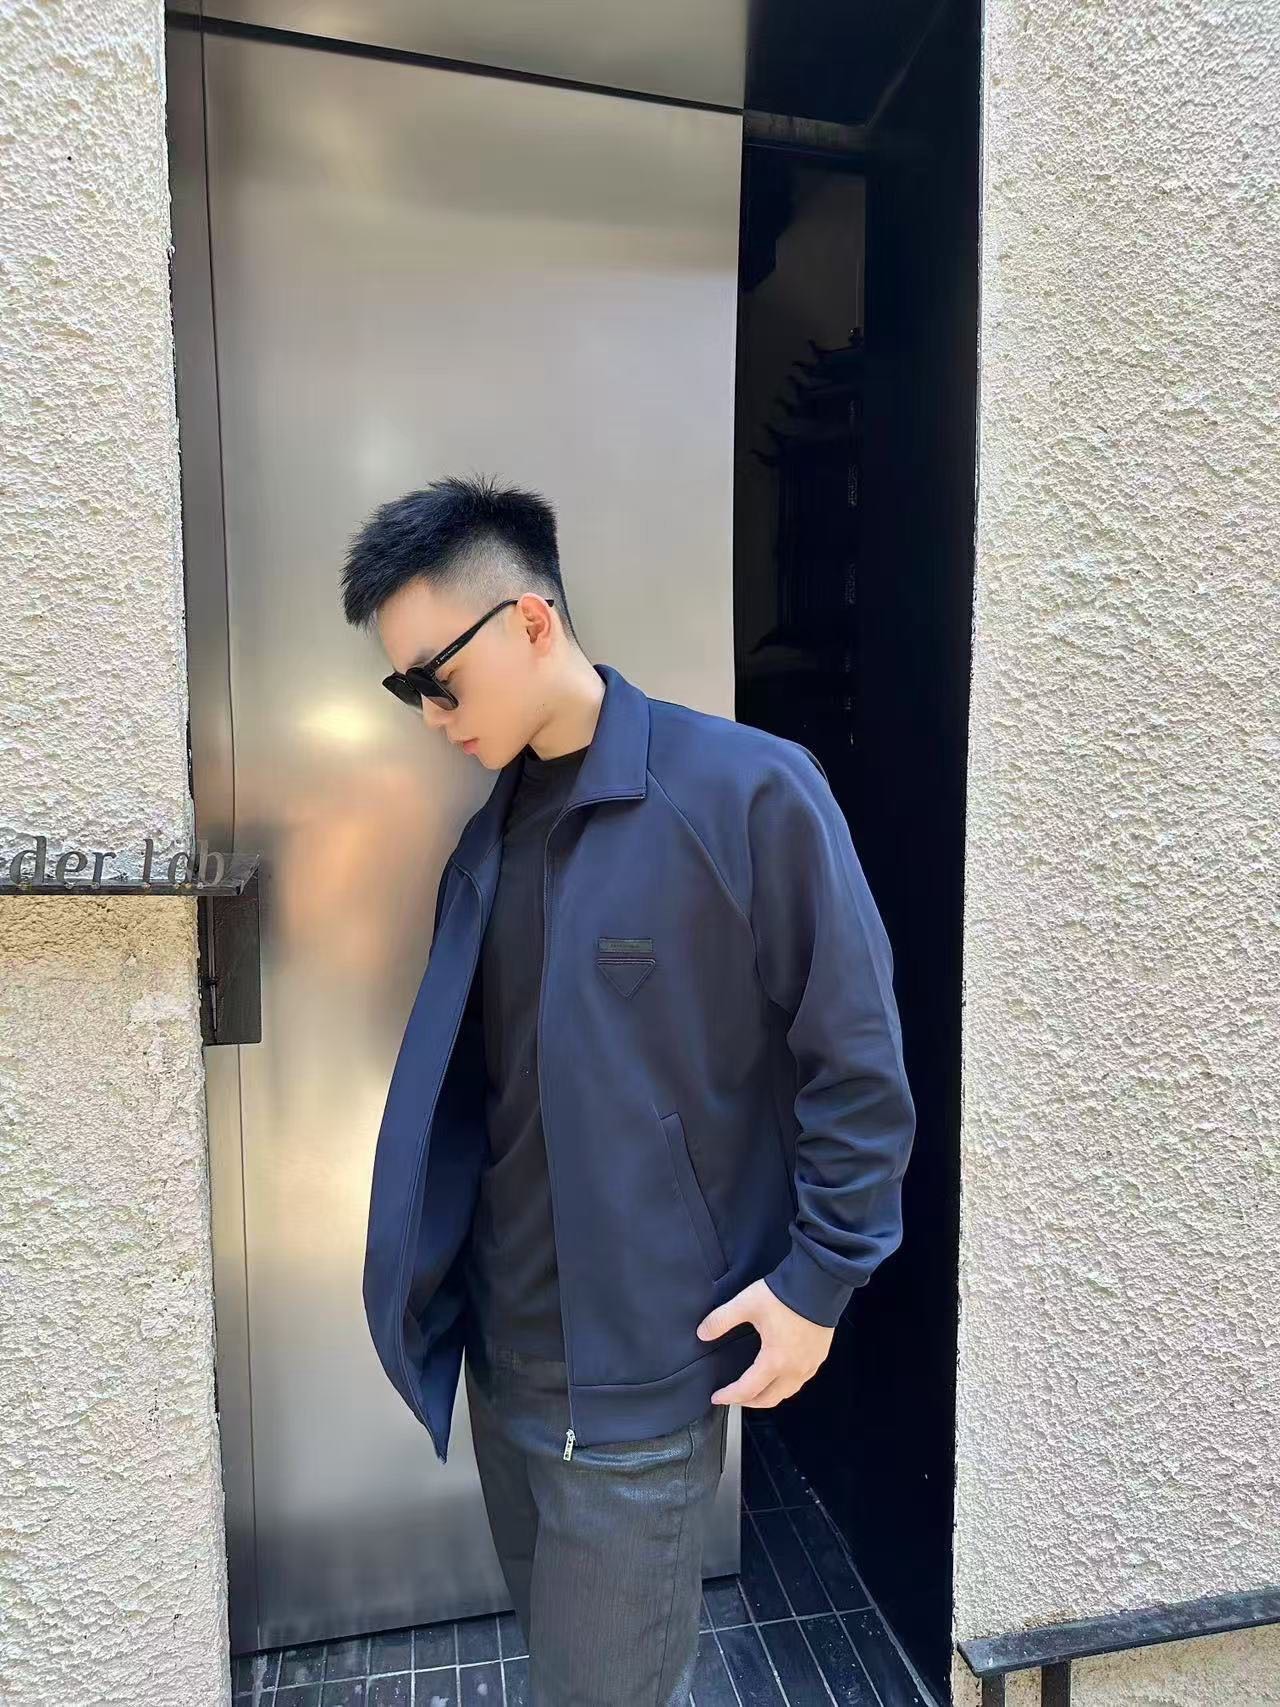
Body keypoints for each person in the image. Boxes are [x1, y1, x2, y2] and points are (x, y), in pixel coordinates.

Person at [340, 473, 916, 1706]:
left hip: (641, 1388)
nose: (429, 715)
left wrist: (820, 1281)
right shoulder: (486, 841)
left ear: (529, 621)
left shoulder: (745, 792)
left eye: (437, 678)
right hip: (503, 1365)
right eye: (404, 692)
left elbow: (856, 1061)